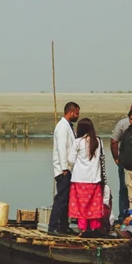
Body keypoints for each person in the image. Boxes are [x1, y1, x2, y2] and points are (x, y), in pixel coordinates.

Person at [69, 118, 111, 235]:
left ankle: (82, 229)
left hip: (79, 180)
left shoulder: (78, 142)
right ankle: (94, 229)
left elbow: (71, 160)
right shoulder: (99, 141)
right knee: (94, 207)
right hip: (95, 179)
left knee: (81, 208)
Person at [50, 101, 80, 235]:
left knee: (67, 199)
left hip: (69, 169)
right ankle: (53, 227)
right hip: (63, 169)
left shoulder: (69, 126)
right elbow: (62, 148)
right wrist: (64, 168)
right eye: (77, 113)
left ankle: (63, 225)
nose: (77, 116)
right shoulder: (62, 127)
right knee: (61, 199)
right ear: (71, 112)